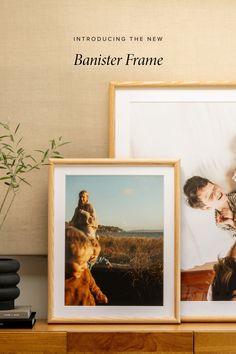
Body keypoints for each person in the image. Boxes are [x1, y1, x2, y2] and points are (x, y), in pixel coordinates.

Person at [65, 225, 108, 306]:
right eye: (81, 262)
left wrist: (100, 296)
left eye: (86, 261)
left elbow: (93, 286)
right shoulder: (59, 283)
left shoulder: (85, 272)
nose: (85, 266)